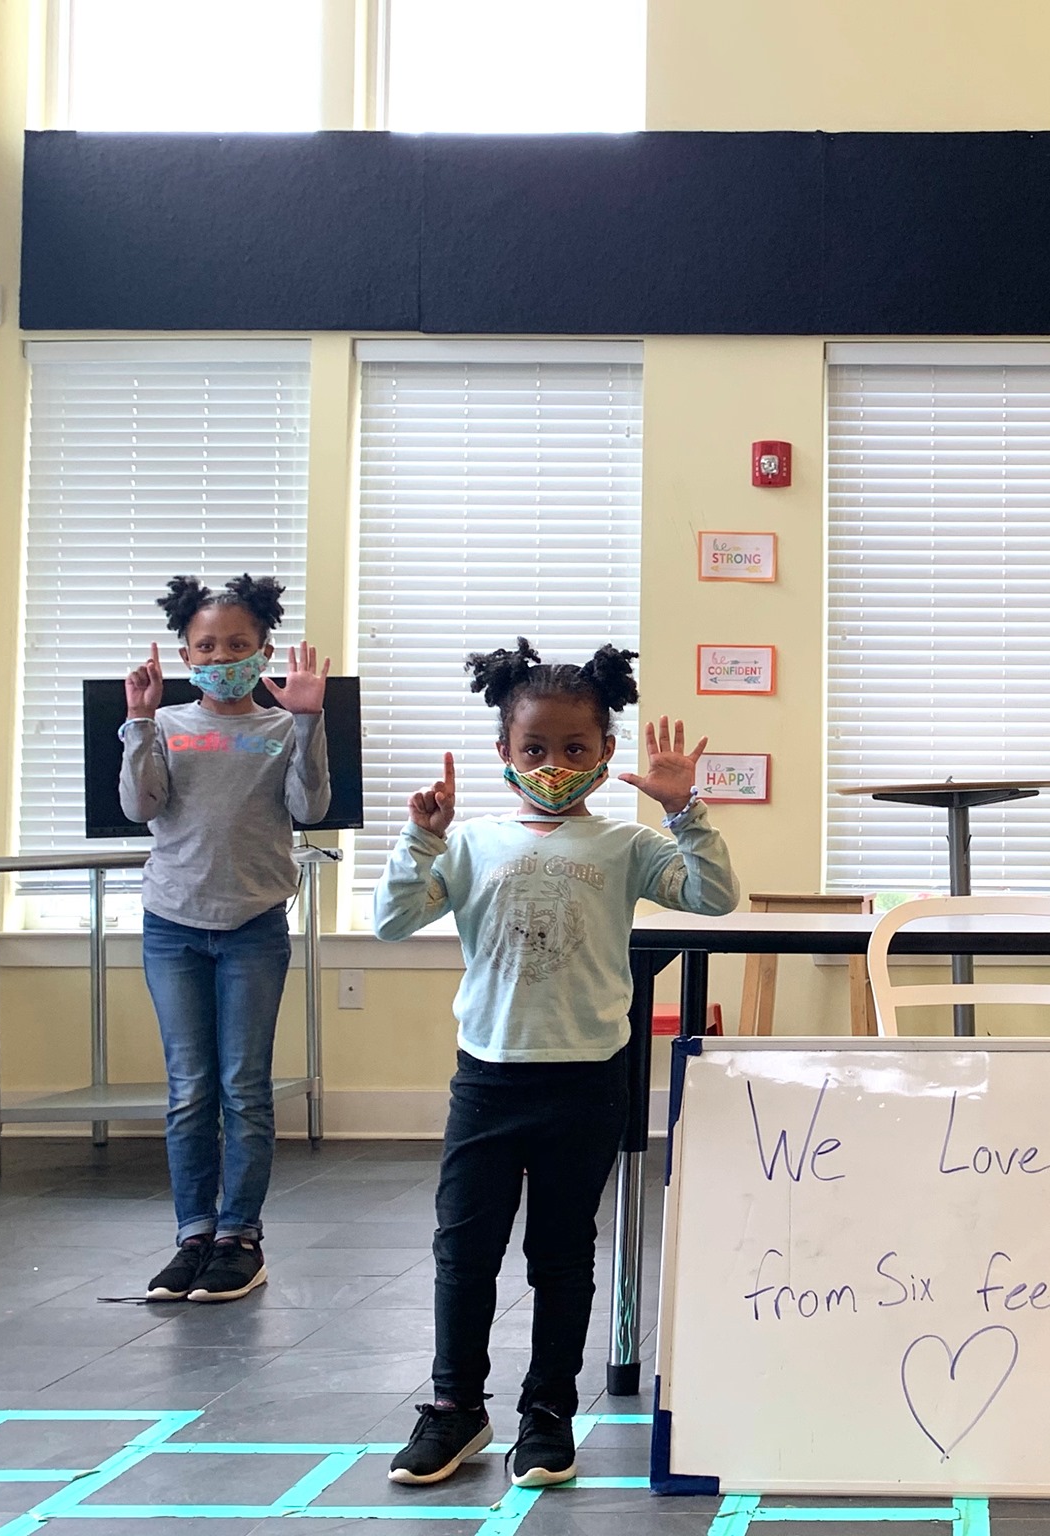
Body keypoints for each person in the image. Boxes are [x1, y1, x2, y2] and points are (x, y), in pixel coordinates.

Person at [374, 639, 738, 1491]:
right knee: (464, 1250)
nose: (553, 764)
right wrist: (420, 841)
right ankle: (456, 1408)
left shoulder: (623, 846)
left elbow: (713, 898)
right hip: (489, 1079)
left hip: (586, 1079)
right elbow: (393, 922)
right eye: (534, 748)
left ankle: (548, 1414)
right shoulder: (469, 846)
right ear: (505, 751)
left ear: (606, 756)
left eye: (576, 748)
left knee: (564, 1255)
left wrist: (687, 813)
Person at [121, 574, 331, 1304]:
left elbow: (310, 805)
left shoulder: (278, 728)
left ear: (264, 649)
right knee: (188, 1091)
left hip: (253, 930)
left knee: (244, 1089)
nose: (222, 655)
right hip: (172, 929)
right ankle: (192, 1234)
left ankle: (240, 1236)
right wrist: (140, 723)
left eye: (238, 644)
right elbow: (139, 805)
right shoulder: (170, 725)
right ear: (185, 653)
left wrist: (307, 722)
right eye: (207, 645)